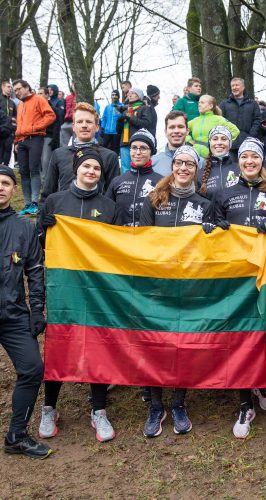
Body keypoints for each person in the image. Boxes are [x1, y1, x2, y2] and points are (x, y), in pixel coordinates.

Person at [37, 148, 122, 443]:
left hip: (98, 289)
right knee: (60, 343)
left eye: (96, 169)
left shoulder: (109, 207)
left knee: (98, 345)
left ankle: (98, 409)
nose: (91, 172)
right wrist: (43, 230)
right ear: (76, 169)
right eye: (86, 166)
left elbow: (120, 248)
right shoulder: (55, 202)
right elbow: (38, 244)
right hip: (64, 289)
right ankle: (49, 407)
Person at [140, 145, 214, 437]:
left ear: (196, 170)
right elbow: (141, 243)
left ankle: (180, 402)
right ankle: (156, 405)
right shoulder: (154, 199)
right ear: (172, 167)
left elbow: (210, 249)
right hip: (156, 286)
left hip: (189, 287)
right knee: (154, 344)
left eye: (190, 165)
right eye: (179, 163)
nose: (183, 168)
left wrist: (214, 229)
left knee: (184, 344)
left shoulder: (204, 203)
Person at [214, 137, 266, 439]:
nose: (250, 161)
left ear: (262, 160)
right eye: (245, 157)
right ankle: (243, 404)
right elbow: (211, 225)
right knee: (240, 336)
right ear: (238, 161)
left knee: (265, 332)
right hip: (235, 277)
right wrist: (211, 228)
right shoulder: (225, 193)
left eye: (255, 157)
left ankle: (263, 382)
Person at [0, 165, 51, 459]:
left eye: (7, 183)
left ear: (14, 190)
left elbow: (34, 271)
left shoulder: (24, 227)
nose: (2, 187)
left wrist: (37, 311)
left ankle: (17, 435)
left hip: (14, 314)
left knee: (32, 369)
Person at [41, 102, 120, 206]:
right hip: (65, 214)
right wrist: (42, 218)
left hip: (97, 216)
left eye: (89, 122)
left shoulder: (109, 157)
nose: (84, 125)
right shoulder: (59, 154)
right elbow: (48, 192)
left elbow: (114, 195)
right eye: (79, 122)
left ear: (97, 127)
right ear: (73, 126)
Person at [12, 79, 56, 216]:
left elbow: (51, 115)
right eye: (15, 90)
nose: (17, 92)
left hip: (35, 138)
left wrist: (34, 127)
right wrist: (16, 142)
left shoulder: (39, 99)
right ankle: (26, 204)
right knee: (23, 172)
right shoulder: (20, 105)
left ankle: (35, 203)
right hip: (22, 141)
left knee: (34, 169)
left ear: (26, 87)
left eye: (19, 89)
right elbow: (19, 125)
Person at [105, 128, 162, 226]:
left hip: (149, 239)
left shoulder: (161, 182)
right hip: (121, 239)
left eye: (143, 148)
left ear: (151, 152)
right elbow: (106, 212)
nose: (138, 152)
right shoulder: (117, 181)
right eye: (134, 147)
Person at [187, 94, 239, 159]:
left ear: (210, 106)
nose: (199, 104)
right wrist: (188, 139)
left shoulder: (218, 119)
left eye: (202, 102)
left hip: (211, 158)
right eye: (199, 102)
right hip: (194, 157)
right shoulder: (194, 121)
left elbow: (235, 131)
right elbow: (182, 130)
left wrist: (222, 143)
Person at [116, 88, 155, 172]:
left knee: (138, 167)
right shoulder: (125, 110)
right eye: (129, 93)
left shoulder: (144, 108)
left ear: (139, 96)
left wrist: (130, 117)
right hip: (124, 143)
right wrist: (119, 121)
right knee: (125, 168)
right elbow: (118, 131)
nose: (130, 95)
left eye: (133, 93)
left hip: (138, 143)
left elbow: (146, 124)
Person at [220, 77, 262, 155]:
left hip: (248, 143)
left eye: (237, 85)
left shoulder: (253, 104)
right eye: (232, 86)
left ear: (243, 87)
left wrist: (251, 135)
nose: (234, 88)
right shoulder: (224, 104)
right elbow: (220, 121)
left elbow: (257, 120)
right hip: (230, 144)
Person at [198, 125, 239, 200]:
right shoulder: (200, 174)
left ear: (230, 144)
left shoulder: (240, 170)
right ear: (210, 143)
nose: (219, 142)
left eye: (224, 139)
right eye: (215, 139)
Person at [152, 111, 191, 177]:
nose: (176, 131)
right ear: (165, 132)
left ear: (187, 131)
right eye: (172, 127)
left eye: (180, 127)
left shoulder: (200, 162)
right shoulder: (153, 162)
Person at [36, 88, 59, 183]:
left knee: (46, 161)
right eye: (38, 93)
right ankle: (40, 182)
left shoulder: (53, 110)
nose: (39, 95)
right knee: (37, 161)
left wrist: (55, 139)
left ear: (47, 95)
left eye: (41, 93)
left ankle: (46, 183)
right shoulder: (36, 110)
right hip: (36, 138)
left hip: (48, 137)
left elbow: (57, 127)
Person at [100, 90, 122, 155]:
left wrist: (119, 113)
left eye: (116, 95)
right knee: (104, 148)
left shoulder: (122, 106)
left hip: (116, 132)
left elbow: (123, 117)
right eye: (113, 95)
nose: (114, 96)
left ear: (118, 96)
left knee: (115, 150)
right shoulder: (107, 107)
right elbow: (104, 118)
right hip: (107, 131)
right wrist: (102, 128)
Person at [0, 80, 17, 166]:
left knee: (7, 155)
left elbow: (15, 118)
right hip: (1, 131)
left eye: (11, 87)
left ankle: (4, 173)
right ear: (2, 87)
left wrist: (13, 131)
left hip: (9, 133)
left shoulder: (12, 103)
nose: (10, 89)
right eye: (8, 87)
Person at [60, 83, 76, 147]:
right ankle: (64, 153)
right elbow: (64, 110)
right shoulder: (68, 97)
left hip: (76, 121)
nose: (74, 86)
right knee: (63, 142)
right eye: (73, 84)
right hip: (67, 121)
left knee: (76, 142)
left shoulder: (81, 96)